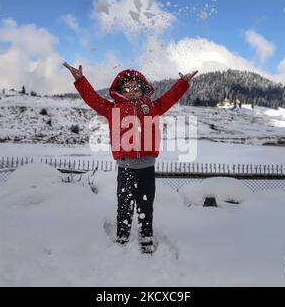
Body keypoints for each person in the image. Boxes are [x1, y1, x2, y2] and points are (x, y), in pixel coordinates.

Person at [63, 63, 198, 254]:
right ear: (119, 91)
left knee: (145, 205)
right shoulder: (112, 109)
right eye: (127, 88)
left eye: (136, 88)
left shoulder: (152, 107)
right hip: (125, 167)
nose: (132, 92)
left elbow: (170, 97)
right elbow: (93, 99)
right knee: (124, 205)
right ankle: (122, 236)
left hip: (147, 168)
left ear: (142, 89)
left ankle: (146, 238)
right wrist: (80, 80)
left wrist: (182, 83)